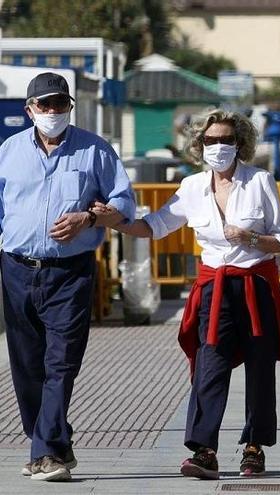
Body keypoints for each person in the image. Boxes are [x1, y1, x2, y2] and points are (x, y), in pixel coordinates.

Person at [98, 109, 280, 480]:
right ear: (199, 146)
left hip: (255, 285)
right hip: (213, 288)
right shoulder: (191, 188)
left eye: (226, 140)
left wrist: (248, 237)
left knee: (259, 368)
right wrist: (114, 221)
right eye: (211, 140)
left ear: (240, 144)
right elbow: (154, 226)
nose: (219, 147)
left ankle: (255, 446)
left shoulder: (260, 182)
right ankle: (204, 450)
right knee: (209, 367)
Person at [0, 72, 136, 482]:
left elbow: (124, 203)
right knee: (26, 366)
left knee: (61, 363)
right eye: (46, 105)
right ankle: (49, 444)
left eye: (61, 103)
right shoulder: (8, 151)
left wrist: (89, 217)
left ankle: (48, 453)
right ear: (30, 110)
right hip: (17, 269)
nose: (54, 111)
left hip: (70, 273)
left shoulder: (95, 150)